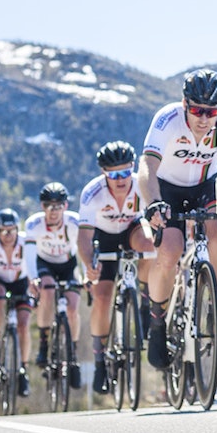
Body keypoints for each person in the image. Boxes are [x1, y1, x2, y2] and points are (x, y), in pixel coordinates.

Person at [139, 69, 217, 371]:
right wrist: (153, 201)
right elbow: (147, 166)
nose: (204, 118)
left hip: (206, 183)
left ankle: (216, 312)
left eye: (211, 111)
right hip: (167, 188)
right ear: (184, 104)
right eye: (196, 110)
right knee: (170, 250)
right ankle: (157, 324)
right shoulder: (167, 120)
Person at [77, 140, 156, 394]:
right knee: (101, 298)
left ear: (132, 168)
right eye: (114, 175)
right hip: (103, 237)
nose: (121, 179)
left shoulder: (140, 185)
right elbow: (84, 238)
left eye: (125, 172)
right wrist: (89, 265)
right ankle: (100, 359)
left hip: (131, 229)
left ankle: (144, 301)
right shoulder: (92, 193)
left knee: (148, 243)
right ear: (104, 173)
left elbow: (153, 224)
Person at [22, 182, 83, 391]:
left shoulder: (75, 222)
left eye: (58, 206)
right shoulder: (33, 224)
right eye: (49, 205)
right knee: (47, 290)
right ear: (42, 206)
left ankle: (72, 353)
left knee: (73, 307)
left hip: (69, 264)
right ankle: (44, 342)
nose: (53, 211)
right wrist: (32, 278)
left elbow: (83, 249)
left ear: (65, 206)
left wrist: (86, 276)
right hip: (44, 263)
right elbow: (29, 255)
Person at [0, 208, 32, 398]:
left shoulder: (27, 242)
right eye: (3, 230)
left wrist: (36, 287)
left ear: (18, 229)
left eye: (12, 230)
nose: (8, 235)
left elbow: (34, 266)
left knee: (23, 325)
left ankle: (23, 369)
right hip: (0, 281)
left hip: (21, 282)